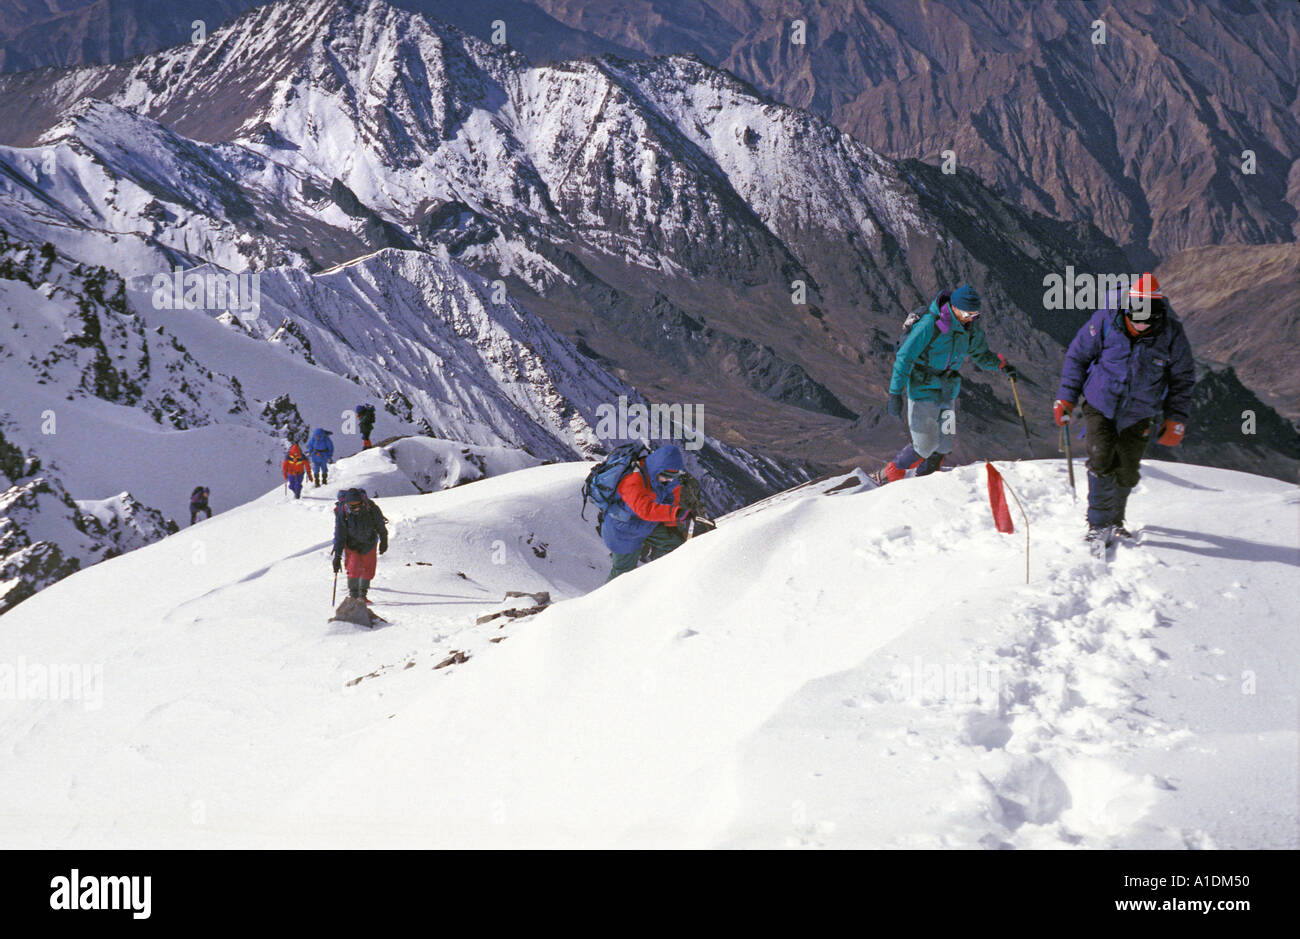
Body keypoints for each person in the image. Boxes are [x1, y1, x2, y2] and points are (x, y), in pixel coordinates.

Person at [1055, 273, 1195, 541]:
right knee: (1101, 458)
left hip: (1140, 411)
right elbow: (1077, 357)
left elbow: (1182, 378)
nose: (1141, 325)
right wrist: (1066, 398)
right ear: (1127, 308)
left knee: (1127, 469)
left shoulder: (1171, 334)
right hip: (1100, 402)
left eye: (1147, 320)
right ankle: (1098, 525)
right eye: (1135, 318)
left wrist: (1175, 417)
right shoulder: (1105, 321)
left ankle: (1115, 520)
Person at [872, 284, 1018, 483]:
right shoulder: (929, 325)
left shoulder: (969, 328)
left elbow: (981, 354)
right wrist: (895, 393)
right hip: (923, 389)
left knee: (945, 444)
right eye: (968, 313)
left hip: (948, 391)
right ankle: (887, 475)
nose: (971, 318)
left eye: (975, 314)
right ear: (955, 307)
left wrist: (1001, 365)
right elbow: (904, 357)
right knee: (923, 446)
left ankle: (927, 482)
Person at [600, 443, 691, 581]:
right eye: (666, 476)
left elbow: (671, 497)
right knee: (623, 574)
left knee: (675, 545)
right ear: (657, 469)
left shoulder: (665, 477)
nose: (670, 480)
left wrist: (671, 524)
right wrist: (675, 513)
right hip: (622, 530)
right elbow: (645, 509)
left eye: (674, 476)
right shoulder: (632, 480)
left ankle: (661, 581)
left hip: (645, 524)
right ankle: (604, 600)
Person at [331, 488, 388, 603]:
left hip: (369, 542)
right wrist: (337, 556)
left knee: (368, 569)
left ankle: (363, 595)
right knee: (353, 568)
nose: (355, 507)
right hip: (352, 544)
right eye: (352, 505)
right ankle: (353, 595)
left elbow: (380, 526)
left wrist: (384, 541)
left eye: (357, 504)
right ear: (347, 504)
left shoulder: (371, 509)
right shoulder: (343, 513)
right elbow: (340, 534)